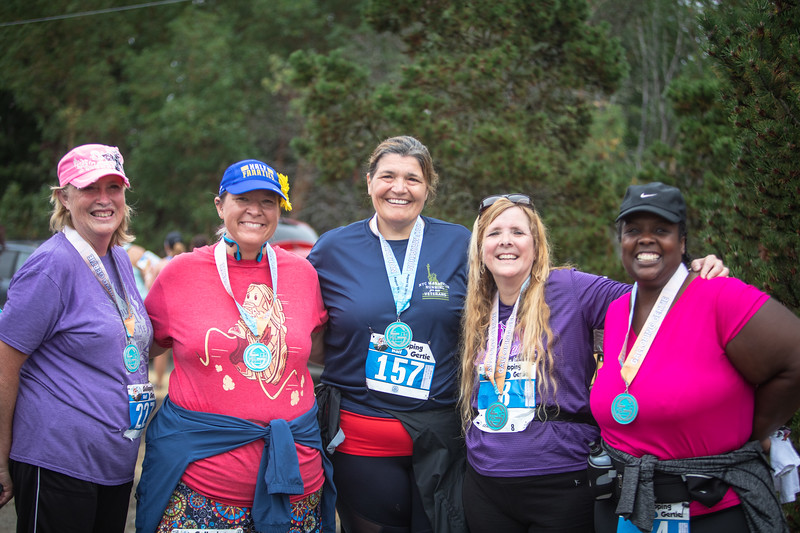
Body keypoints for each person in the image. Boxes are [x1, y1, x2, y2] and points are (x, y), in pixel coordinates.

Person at [457, 193, 728, 533]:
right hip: (484, 483)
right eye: (494, 233)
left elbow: (652, 300)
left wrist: (689, 271)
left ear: (536, 245)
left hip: (559, 482)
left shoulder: (569, 287)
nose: (505, 241)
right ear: (480, 248)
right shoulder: (479, 304)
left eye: (518, 232)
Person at [136, 159, 335, 533]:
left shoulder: (303, 274)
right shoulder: (180, 273)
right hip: (199, 486)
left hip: (295, 483)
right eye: (243, 199)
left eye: (268, 202)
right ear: (219, 205)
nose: (255, 210)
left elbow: (322, 349)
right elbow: (142, 351)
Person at [590, 182, 800, 533]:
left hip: (707, 510)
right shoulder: (617, 311)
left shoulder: (719, 296)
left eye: (661, 230)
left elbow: (794, 358)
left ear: (683, 242)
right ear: (622, 241)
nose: (645, 239)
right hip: (623, 507)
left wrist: (753, 430)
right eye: (633, 231)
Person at [308, 136, 471, 533]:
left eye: (413, 179)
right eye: (387, 176)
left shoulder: (460, 243)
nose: (400, 188)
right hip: (361, 439)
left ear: (428, 187)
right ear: (369, 183)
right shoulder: (333, 248)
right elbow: (303, 327)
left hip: (441, 439)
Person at [0, 144, 154, 531]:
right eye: (89, 188)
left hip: (112, 464)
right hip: (58, 461)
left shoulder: (118, 258)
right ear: (64, 198)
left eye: (113, 188)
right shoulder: (52, 265)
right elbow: (4, 362)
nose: (104, 199)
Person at [150, 230, 186, 389]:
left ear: (166, 246)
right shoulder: (188, 262)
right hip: (183, 312)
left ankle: (159, 382)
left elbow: (150, 287)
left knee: (162, 351)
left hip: (165, 312)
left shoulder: (160, 264)